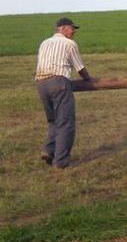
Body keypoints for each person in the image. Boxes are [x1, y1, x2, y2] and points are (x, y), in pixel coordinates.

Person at [35, 17, 92, 169]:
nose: (74, 32)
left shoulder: (44, 43)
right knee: (66, 122)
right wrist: (89, 80)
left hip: (41, 83)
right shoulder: (69, 44)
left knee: (53, 119)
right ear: (63, 28)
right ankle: (60, 162)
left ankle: (49, 150)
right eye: (72, 28)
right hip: (59, 83)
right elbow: (80, 68)